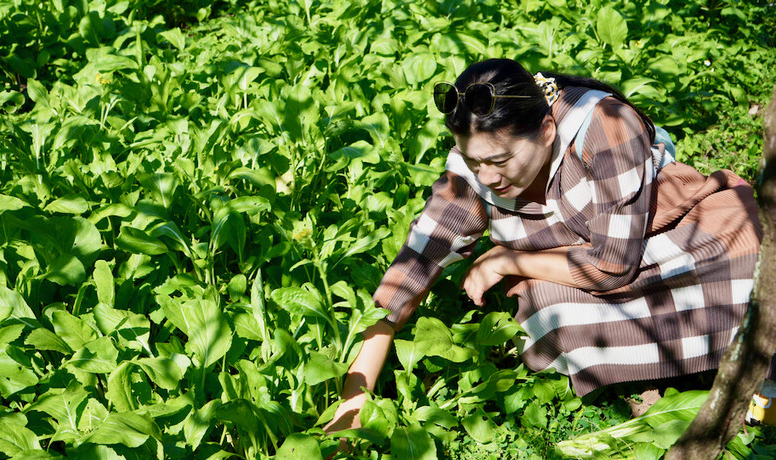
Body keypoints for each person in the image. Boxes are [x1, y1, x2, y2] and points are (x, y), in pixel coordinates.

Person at [323, 58, 768, 434]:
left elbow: (613, 266)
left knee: (754, 266)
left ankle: (712, 362)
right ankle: (685, 366)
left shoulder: (604, 125)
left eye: (499, 161)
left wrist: (510, 258)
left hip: (672, 237)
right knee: (548, 317)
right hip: (578, 271)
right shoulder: (474, 174)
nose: (489, 177)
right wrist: (353, 400)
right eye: (475, 161)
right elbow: (410, 272)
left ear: (547, 130)